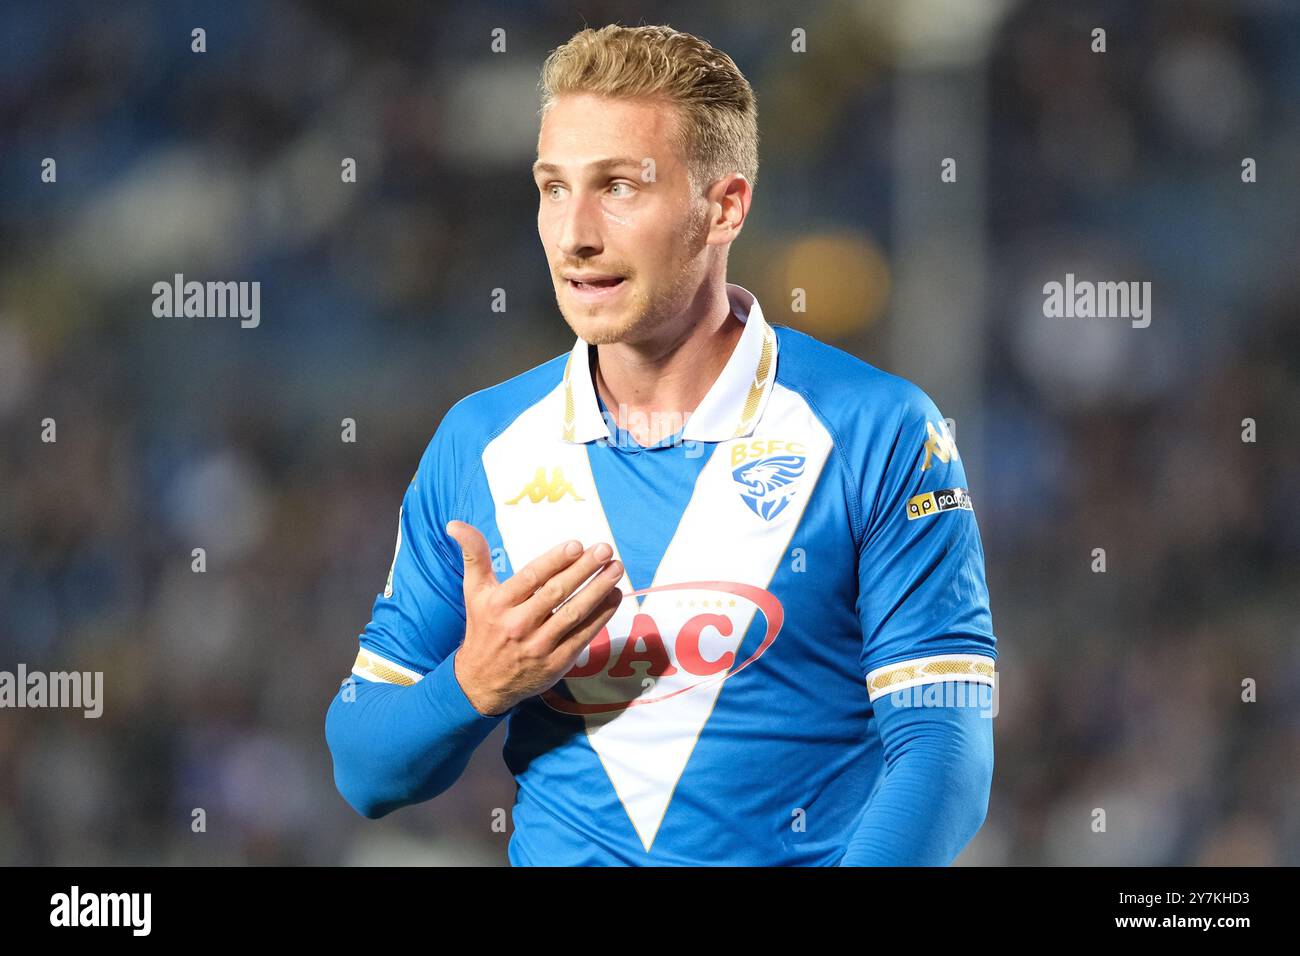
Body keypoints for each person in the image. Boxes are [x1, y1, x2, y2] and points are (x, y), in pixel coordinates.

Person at [325, 23, 997, 865]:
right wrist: (476, 683)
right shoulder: (481, 443)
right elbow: (364, 767)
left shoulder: (879, 430)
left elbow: (945, 759)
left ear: (725, 206)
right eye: (553, 187)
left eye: (619, 187)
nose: (575, 235)